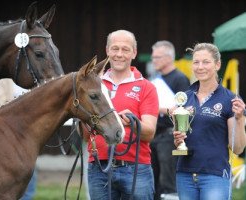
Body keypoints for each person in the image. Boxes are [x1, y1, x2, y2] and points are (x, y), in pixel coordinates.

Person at [84, 30, 159, 200]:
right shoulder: (93, 85)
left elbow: (149, 133)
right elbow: (85, 136)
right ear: (107, 50)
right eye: (115, 48)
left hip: (136, 168)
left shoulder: (146, 87)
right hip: (99, 167)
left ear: (134, 52)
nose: (119, 54)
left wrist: (132, 122)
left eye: (125, 49)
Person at [173, 43, 246, 200]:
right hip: (185, 175)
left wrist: (240, 120)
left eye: (206, 62)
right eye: (196, 62)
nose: (200, 67)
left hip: (215, 176)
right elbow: (179, 140)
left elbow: (238, 148)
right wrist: (178, 140)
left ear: (217, 64)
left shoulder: (230, 99)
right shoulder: (184, 98)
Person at [149, 40, 190, 199]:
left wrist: (157, 108)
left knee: (168, 180)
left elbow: (183, 109)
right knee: (153, 180)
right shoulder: (155, 78)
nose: (154, 61)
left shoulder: (180, 79)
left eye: (157, 57)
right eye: (153, 57)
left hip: (169, 135)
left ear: (168, 58)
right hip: (154, 134)